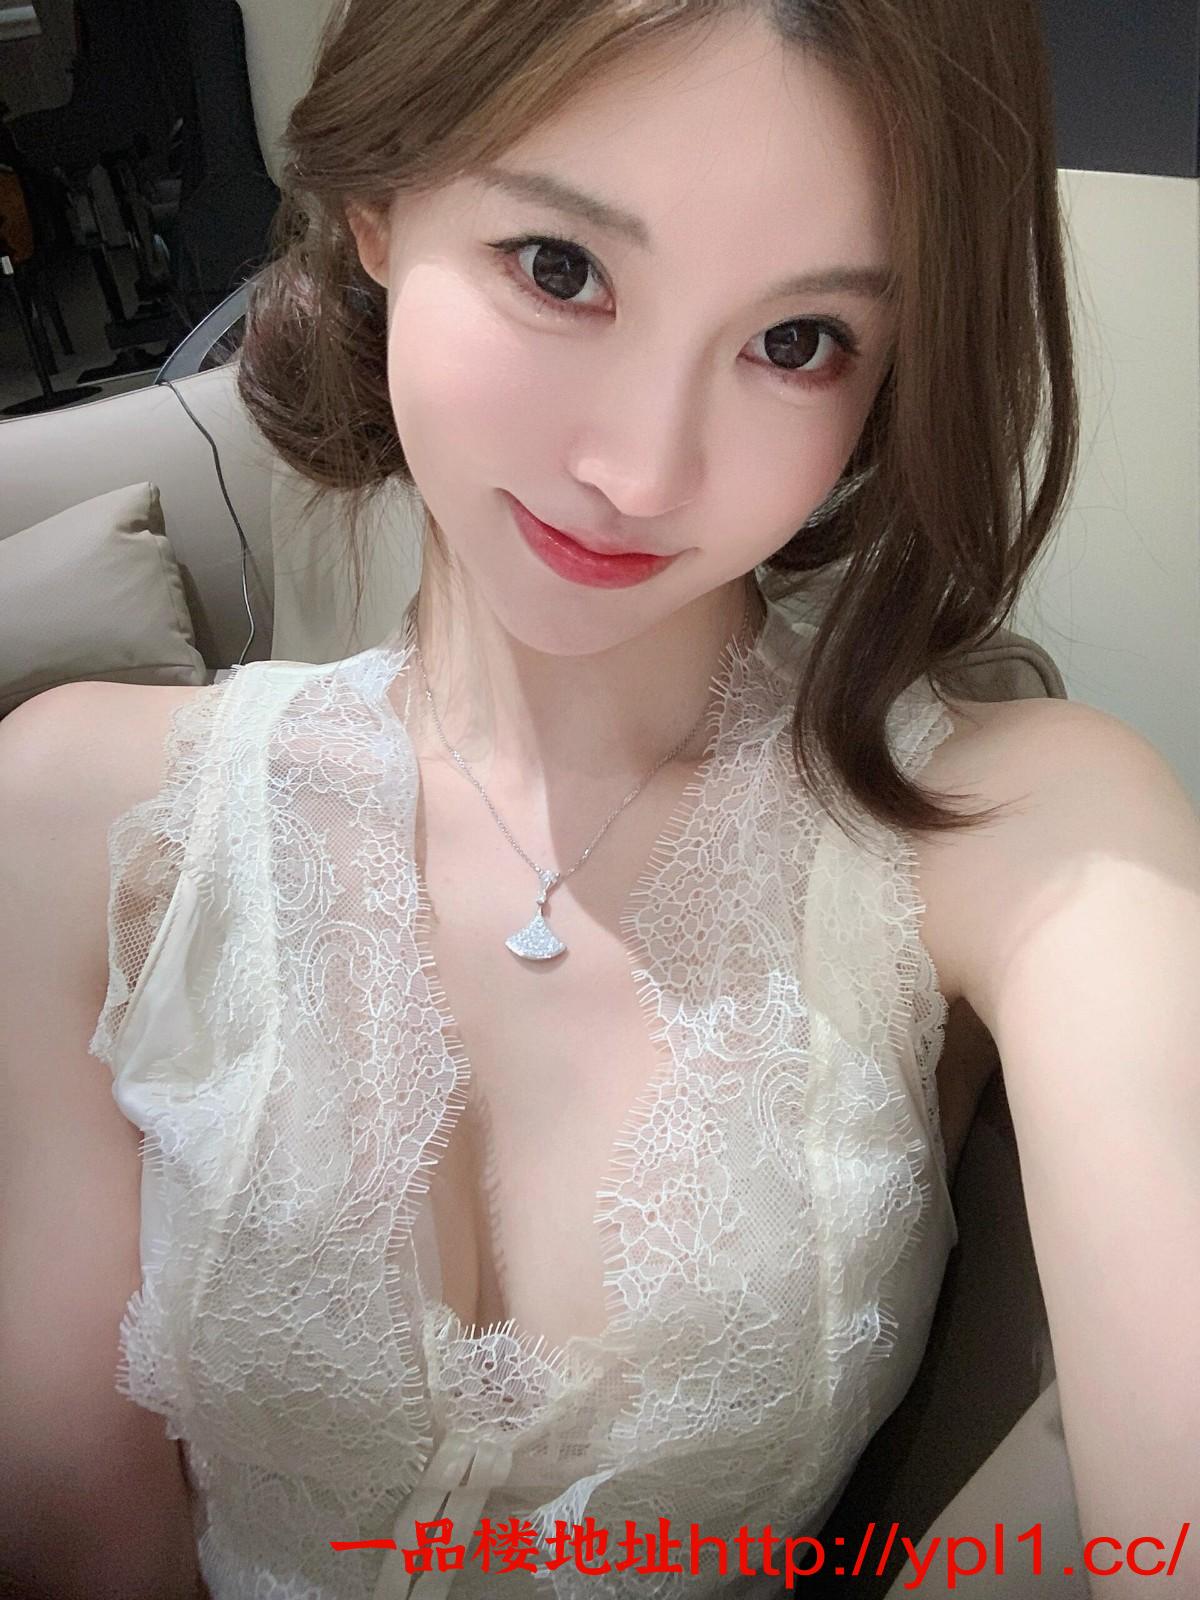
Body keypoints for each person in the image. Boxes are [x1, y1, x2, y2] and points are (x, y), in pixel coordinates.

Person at [2, 2, 1198, 1597]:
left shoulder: (1021, 827)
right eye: (560, 268)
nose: (642, 471)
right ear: (378, 207)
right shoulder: (83, 812)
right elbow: (79, 1534)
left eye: (797, 342)